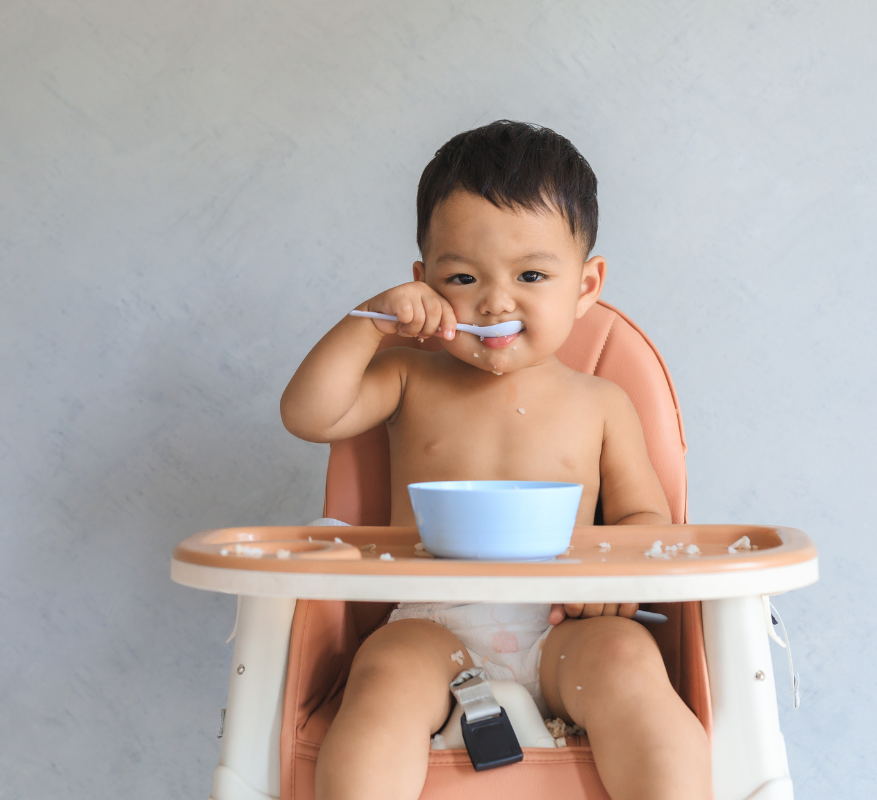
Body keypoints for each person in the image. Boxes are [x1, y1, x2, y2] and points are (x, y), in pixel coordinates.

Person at [280, 121, 712, 800]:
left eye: (532, 274)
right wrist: (370, 321)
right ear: (423, 283)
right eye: (462, 276)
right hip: (430, 621)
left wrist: (612, 583)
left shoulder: (602, 401)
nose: (496, 300)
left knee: (630, 661)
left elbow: (643, 517)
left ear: (586, 285)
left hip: (563, 628)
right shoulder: (406, 377)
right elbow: (308, 414)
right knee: (383, 675)